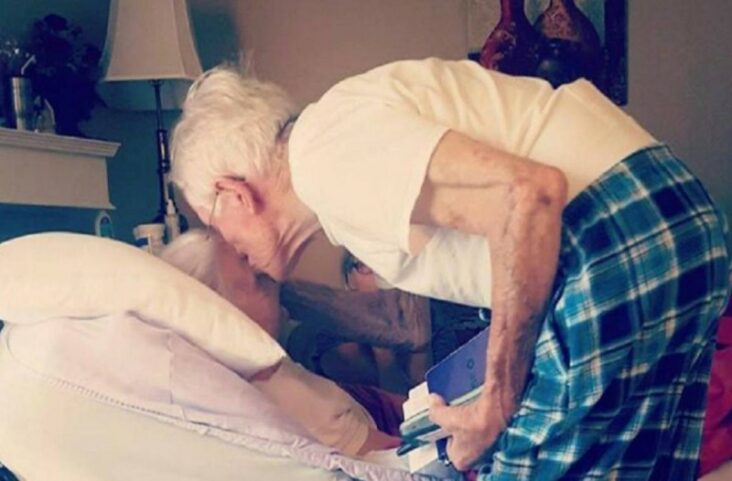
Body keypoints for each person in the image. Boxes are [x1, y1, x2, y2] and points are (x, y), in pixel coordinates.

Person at [170, 58, 730, 480]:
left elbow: (529, 194)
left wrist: (496, 406)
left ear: (233, 192)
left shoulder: (322, 156)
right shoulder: (335, 166)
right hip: (668, 214)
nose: (224, 241)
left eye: (210, 219)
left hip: (609, 230)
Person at [159, 229, 405, 457]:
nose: (275, 281)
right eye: (259, 279)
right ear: (223, 313)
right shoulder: (288, 397)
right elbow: (395, 459)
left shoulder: (268, 366)